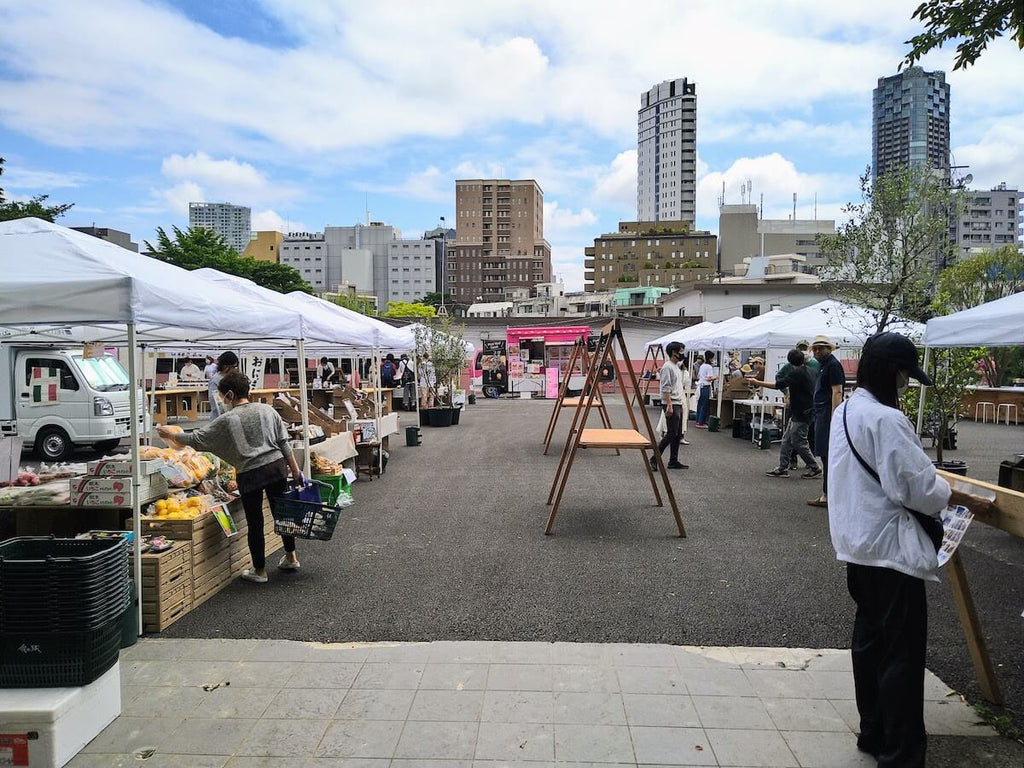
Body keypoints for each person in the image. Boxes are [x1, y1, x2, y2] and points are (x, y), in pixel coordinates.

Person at [828, 332, 993, 768]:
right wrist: (962, 497)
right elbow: (915, 488)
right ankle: (900, 753)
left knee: (869, 643)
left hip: (857, 544)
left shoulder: (846, 410)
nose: (907, 383)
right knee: (901, 652)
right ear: (893, 372)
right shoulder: (887, 419)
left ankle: (874, 732)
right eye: (905, 374)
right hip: (891, 550)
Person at [158, 370, 303, 583]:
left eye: (222, 395)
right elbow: (283, 442)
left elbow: (196, 438)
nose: (221, 399)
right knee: (283, 514)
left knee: (255, 522)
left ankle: (260, 571)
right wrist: (296, 469)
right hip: (276, 467)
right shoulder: (267, 410)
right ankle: (291, 557)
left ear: (230, 395)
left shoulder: (228, 419)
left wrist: (170, 434)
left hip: (250, 473)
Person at [752, 349, 820, 478]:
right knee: (787, 439)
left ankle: (814, 467)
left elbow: (778, 385)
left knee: (798, 441)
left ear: (789, 361)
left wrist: (757, 383)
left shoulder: (796, 373)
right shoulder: (810, 371)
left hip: (802, 412)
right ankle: (783, 467)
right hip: (804, 410)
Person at [808, 335, 845, 508]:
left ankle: (828, 495)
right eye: (815, 348)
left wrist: (834, 417)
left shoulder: (832, 365)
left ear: (829, 349)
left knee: (828, 455)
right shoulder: (825, 365)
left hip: (827, 415)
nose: (817, 351)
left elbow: (837, 391)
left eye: (821, 348)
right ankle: (828, 493)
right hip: (822, 413)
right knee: (825, 455)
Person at [650, 341, 688, 470]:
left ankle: (673, 460)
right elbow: (665, 388)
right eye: (681, 351)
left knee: (677, 434)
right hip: (672, 403)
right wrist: (669, 405)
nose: (683, 353)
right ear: (674, 352)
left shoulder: (676, 366)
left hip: (678, 402)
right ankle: (654, 458)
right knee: (671, 433)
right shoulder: (668, 367)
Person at [207, 351, 238, 420]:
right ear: (225, 366)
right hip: (219, 418)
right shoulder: (215, 380)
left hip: (233, 416)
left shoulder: (232, 377)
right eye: (233, 367)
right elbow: (216, 403)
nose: (235, 369)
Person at [694, 351, 717, 428]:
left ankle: (698, 421)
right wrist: (716, 377)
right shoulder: (709, 367)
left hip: (700, 386)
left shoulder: (702, 366)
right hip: (705, 387)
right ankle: (701, 423)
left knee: (699, 404)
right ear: (710, 358)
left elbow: (699, 376)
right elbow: (709, 378)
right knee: (704, 405)